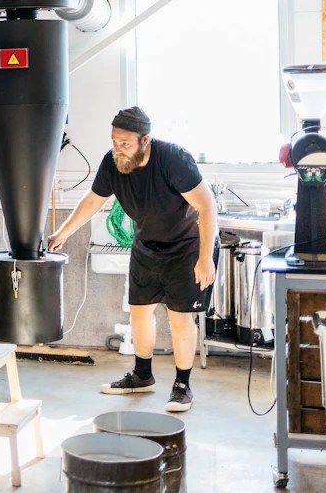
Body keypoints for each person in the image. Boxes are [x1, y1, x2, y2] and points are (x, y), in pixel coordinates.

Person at [48, 106, 218, 412]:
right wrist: (63, 231)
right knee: (139, 313)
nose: (118, 149)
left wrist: (205, 258)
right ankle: (142, 375)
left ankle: (182, 385)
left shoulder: (173, 160)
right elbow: (92, 200)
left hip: (186, 245)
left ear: (145, 140)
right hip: (146, 245)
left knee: (179, 318)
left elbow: (207, 207)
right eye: (115, 142)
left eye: (125, 144)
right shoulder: (112, 163)